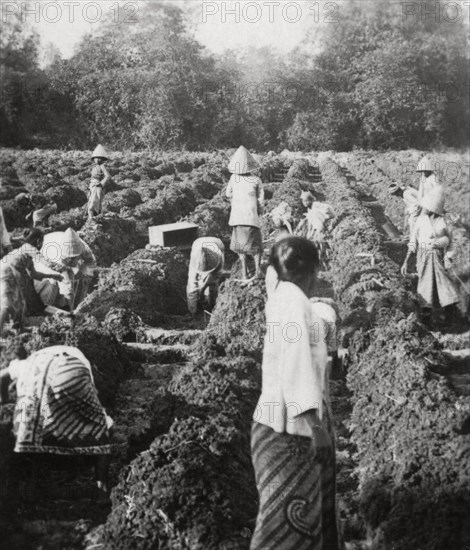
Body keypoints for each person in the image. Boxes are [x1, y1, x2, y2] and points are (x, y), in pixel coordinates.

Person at [251, 236, 339, 550]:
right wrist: (316, 429)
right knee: (286, 523)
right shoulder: (295, 304)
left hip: (279, 423)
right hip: (289, 431)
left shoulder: (282, 296)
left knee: (290, 520)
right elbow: (296, 365)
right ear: (310, 270)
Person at [0, 345, 113, 498]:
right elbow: (88, 395)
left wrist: (4, 400)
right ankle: (102, 493)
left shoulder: (28, 361)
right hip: (69, 372)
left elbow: (2, 376)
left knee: (26, 431)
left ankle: (29, 488)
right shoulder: (78, 358)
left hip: (31, 381)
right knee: (101, 427)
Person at [401, 188, 459, 322]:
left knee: (443, 283)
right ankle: (426, 317)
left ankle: (450, 315)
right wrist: (405, 261)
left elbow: (451, 242)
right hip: (423, 256)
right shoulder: (420, 221)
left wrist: (449, 257)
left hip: (438, 256)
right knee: (425, 284)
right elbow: (413, 242)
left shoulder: (443, 223)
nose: (423, 209)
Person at [0, 248, 62, 334]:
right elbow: (43, 260)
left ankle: (20, 327)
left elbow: (34, 274)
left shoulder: (28, 259)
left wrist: (53, 276)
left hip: (13, 274)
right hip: (6, 273)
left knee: (21, 303)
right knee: (7, 303)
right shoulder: (27, 247)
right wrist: (54, 266)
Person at [226, 145, 264, 280]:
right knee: (256, 246)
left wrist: (235, 200)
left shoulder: (233, 178)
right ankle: (258, 271)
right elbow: (261, 199)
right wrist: (259, 210)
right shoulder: (256, 179)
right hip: (251, 217)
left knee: (240, 246)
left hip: (237, 217)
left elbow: (227, 193)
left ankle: (244, 272)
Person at [41, 228, 97, 311]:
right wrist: (71, 313)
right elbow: (67, 288)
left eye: (75, 257)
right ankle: (46, 308)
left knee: (81, 278)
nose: (73, 260)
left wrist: (85, 274)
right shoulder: (57, 258)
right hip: (42, 256)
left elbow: (90, 261)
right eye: (70, 259)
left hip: (58, 246)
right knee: (52, 284)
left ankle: (74, 305)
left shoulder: (83, 248)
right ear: (65, 257)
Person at [186, 236, 225, 317]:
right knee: (192, 285)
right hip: (197, 243)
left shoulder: (219, 257)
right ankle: (192, 310)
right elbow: (192, 286)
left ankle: (213, 306)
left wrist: (204, 286)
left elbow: (218, 275)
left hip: (217, 243)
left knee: (214, 283)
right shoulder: (194, 261)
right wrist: (193, 311)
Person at [295, 191, 334, 269]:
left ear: (311, 200)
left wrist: (316, 231)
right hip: (317, 224)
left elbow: (319, 219)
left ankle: (322, 263)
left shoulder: (315, 207)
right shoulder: (310, 208)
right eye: (303, 201)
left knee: (319, 243)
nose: (305, 203)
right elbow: (309, 218)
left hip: (319, 226)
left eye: (307, 201)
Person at [88, 144, 111, 222]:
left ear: (100, 159)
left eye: (97, 158)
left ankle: (93, 219)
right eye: (95, 158)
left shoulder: (102, 167)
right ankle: (92, 219)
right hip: (92, 186)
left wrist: (101, 184)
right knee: (91, 202)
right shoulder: (94, 167)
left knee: (94, 204)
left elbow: (108, 176)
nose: (96, 160)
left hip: (97, 187)